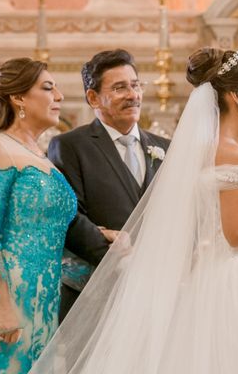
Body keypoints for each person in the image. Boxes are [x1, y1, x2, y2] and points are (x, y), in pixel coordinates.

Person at [30, 47, 238, 373]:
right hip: (233, 276)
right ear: (236, 96)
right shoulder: (228, 152)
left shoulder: (211, 149)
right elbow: (236, 232)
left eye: (136, 85)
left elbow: (221, 211)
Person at [47, 49, 170, 320]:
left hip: (158, 291)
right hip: (95, 293)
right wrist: (121, 262)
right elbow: (69, 217)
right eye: (119, 88)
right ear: (93, 97)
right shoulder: (69, 146)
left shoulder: (166, 148)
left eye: (135, 85)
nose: (132, 95)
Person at [0, 58, 76, 374]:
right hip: (9, 296)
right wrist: (1, 306)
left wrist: (104, 234)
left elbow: (50, 226)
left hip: (46, 296)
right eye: (48, 88)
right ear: (18, 97)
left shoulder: (39, 154)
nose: (59, 97)